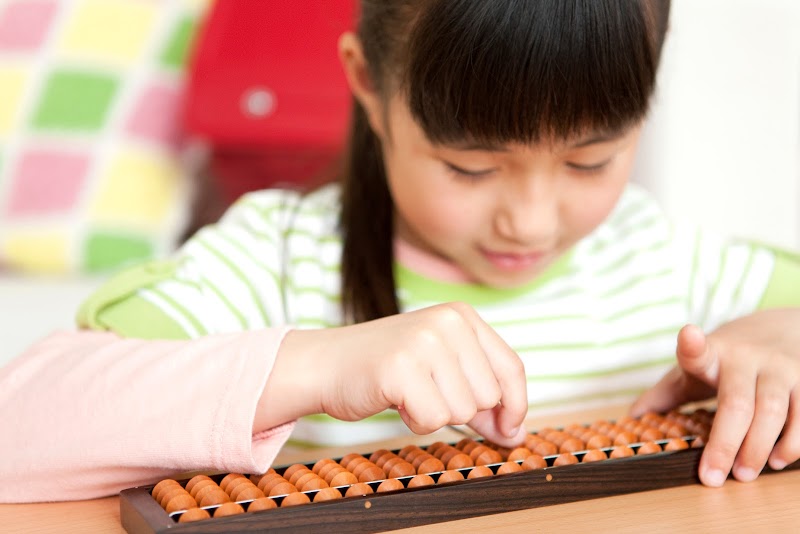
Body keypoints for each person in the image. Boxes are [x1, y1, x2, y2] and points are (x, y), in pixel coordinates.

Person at [2, 0, 799, 503]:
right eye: (471, 166)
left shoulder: (666, 258)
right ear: (369, 88)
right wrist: (311, 366)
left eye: (591, 160)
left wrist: (788, 338)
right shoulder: (278, 260)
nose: (529, 221)